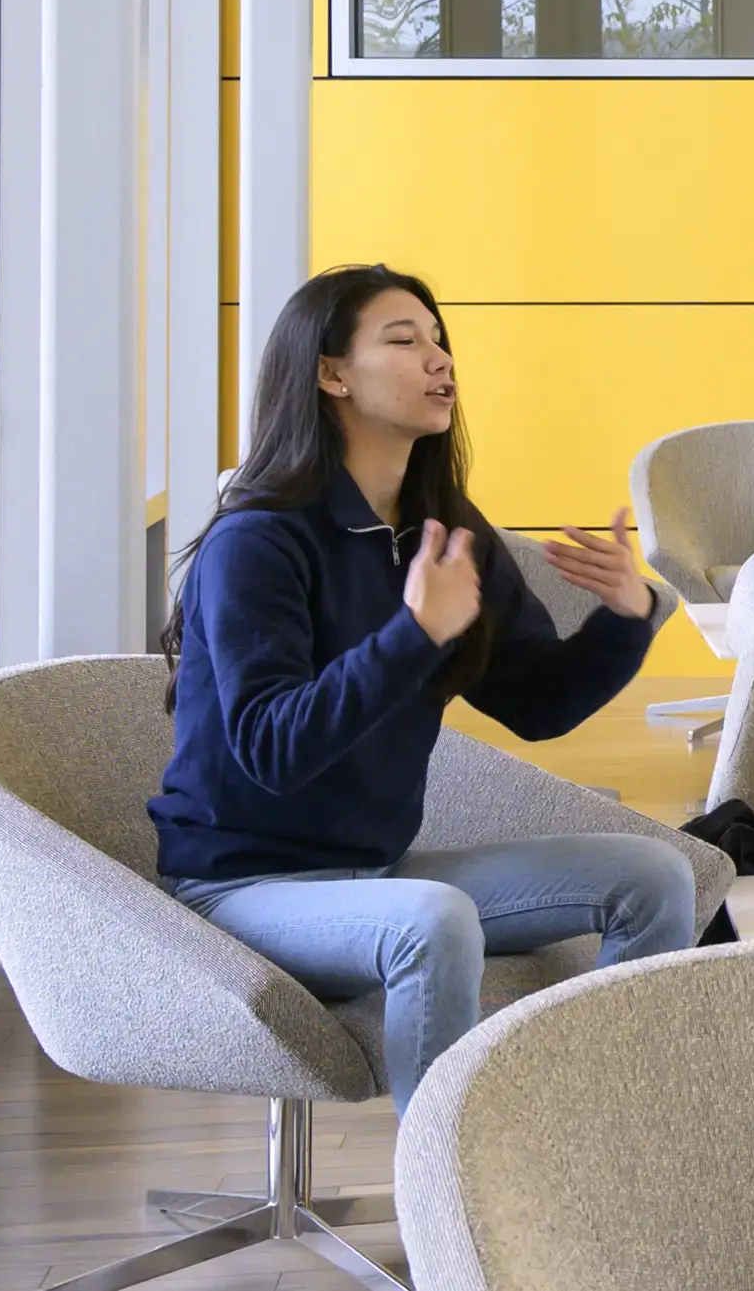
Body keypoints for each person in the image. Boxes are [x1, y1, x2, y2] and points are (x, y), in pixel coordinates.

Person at [152, 265, 700, 1114]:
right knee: (433, 920)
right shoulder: (257, 541)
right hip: (242, 886)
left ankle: (602, 1135)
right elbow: (271, 749)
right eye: (404, 341)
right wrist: (412, 635)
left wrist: (625, 618)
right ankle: (439, 1184)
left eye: (439, 341)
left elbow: (538, 704)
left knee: (657, 875)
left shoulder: (444, 533)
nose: (439, 360)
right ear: (331, 373)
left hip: (376, 868)